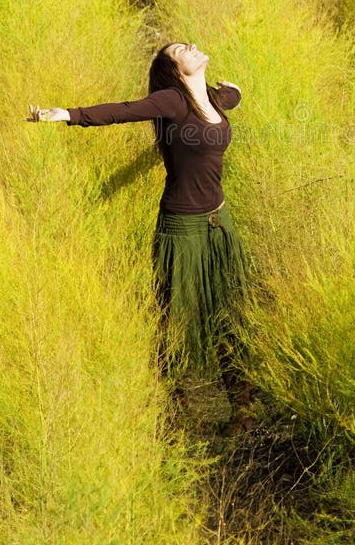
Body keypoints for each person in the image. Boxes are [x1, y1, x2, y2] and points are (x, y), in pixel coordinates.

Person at [28, 41, 254, 431]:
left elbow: (232, 97)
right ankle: (175, 412)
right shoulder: (172, 100)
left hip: (220, 222)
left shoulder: (214, 98)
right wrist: (67, 114)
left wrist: (233, 89)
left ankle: (243, 408)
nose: (193, 45)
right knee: (176, 319)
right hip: (182, 227)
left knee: (230, 308)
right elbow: (123, 112)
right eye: (182, 48)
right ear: (174, 69)